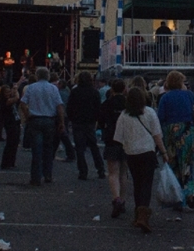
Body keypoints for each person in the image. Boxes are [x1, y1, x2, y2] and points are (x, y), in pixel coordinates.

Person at [113, 87, 167, 233]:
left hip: (131, 153)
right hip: (148, 152)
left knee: (137, 183)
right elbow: (157, 135)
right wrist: (163, 152)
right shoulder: (149, 112)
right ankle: (143, 215)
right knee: (146, 183)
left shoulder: (124, 115)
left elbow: (118, 137)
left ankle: (138, 213)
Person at [156, 70, 194, 208]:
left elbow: (160, 118)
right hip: (187, 129)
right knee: (187, 163)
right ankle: (190, 194)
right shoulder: (189, 95)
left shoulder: (165, 97)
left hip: (170, 131)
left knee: (173, 163)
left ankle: (177, 196)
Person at [19, 67, 66, 185]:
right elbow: (59, 106)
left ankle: (35, 177)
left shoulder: (31, 87)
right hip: (49, 120)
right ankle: (48, 174)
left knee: (36, 150)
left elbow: (23, 103)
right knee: (48, 149)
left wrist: (27, 115)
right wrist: (62, 122)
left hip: (35, 119)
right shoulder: (53, 88)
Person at [66, 71, 106, 181]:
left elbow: (69, 107)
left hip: (78, 122)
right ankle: (100, 168)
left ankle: (83, 171)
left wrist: (72, 118)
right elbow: (98, 108)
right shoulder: (94, 92)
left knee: (80, 148)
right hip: (90, 122)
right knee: (93, 146)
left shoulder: (75, 92)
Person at [98, 79, 129, 217]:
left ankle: (115, 198)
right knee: (123, 172)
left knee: (113, 172)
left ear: (112, 89)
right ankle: (122, 200)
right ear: (124, 89)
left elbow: (100, 122)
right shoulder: (129, 104)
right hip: (127, 139)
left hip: (111, 138)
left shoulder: (106, 104)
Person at [0, 84, 21, 169]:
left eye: (9, 91)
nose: (8, 93)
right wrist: (15, 91)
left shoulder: (8, 99)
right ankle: (6, 162)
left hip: (15, 121)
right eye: (6, 92)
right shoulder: (5, 101)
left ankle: (12, 161)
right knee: (10, 142)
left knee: (15, 142)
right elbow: (16, 98)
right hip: (10, 123)